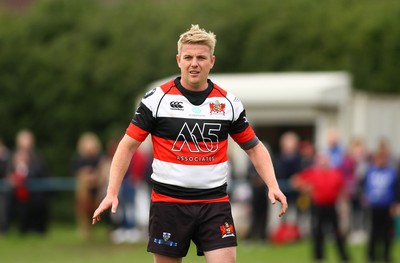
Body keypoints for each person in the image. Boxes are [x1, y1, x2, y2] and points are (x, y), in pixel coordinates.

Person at [92, 24, 287, 263]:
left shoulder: (228, 103)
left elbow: (255, 148)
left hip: (214, 203)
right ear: (179, 60)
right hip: (168, 203)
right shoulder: (157, 100)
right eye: (188, 57)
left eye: (201, 57)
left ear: (212, 61)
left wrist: (273, 185)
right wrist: (112, 192)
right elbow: (127, 146)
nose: (194, 63)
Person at [291, 151, 350, 263]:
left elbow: (342, 190)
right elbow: (295, 180)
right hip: (318, 207)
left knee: (337, 233)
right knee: (318, 233)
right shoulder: (313, 173)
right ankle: (319, 257)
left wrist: (344, 206)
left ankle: (343, 257)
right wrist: (306, 189)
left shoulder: (335, 173)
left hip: (331, 206)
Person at [6, 129, 49, 234]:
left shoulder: (37, 158)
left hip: (34, 193)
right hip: (16, 193)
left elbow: (41, 173)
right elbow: (8, 173)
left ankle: (36, 230)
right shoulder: (12, 157)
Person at [363, 141, 400, 263]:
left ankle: (386, 256)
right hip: (374, 206)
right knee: (373, 232)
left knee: (388, 233)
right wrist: (365, 196)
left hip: (387, 206)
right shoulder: (370, 171)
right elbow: (364, 186)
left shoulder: (392, 172)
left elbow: (396, 188)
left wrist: (396, 203)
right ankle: (372, 255)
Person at [71, 132, 104, 239]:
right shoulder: (78, 159)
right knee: (83, 198)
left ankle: (90, 225)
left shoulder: (99, 158)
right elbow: (78, 174)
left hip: (97, 188)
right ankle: (84, 227)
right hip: (84, 189)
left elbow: (102, 174)